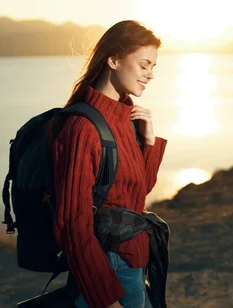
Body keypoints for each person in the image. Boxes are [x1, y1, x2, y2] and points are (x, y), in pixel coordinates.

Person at [50, 20, 167, 308]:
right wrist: (104, 299)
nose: (150, 75)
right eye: (144, 65)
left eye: (153, 67)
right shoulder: (83, 128)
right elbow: (72, 224)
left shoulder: (124, 118)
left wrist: (149, 141)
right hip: (110, 268)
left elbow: (137, 193)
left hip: (132, 261)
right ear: (114, 60)